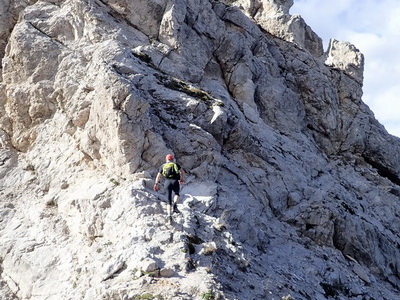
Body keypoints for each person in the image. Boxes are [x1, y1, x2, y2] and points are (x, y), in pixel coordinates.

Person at [153, 154, 185, 223]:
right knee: (177, 193)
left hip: (167, 183)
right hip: (175, 181)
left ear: (166, 159)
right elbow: (182, 172)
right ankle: (175, 205)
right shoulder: (175, 164)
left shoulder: (163, 166)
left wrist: (156, 184)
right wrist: (182, 179)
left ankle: (169, 215)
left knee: (169, 200)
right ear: (172, 159)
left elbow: (158, 176)